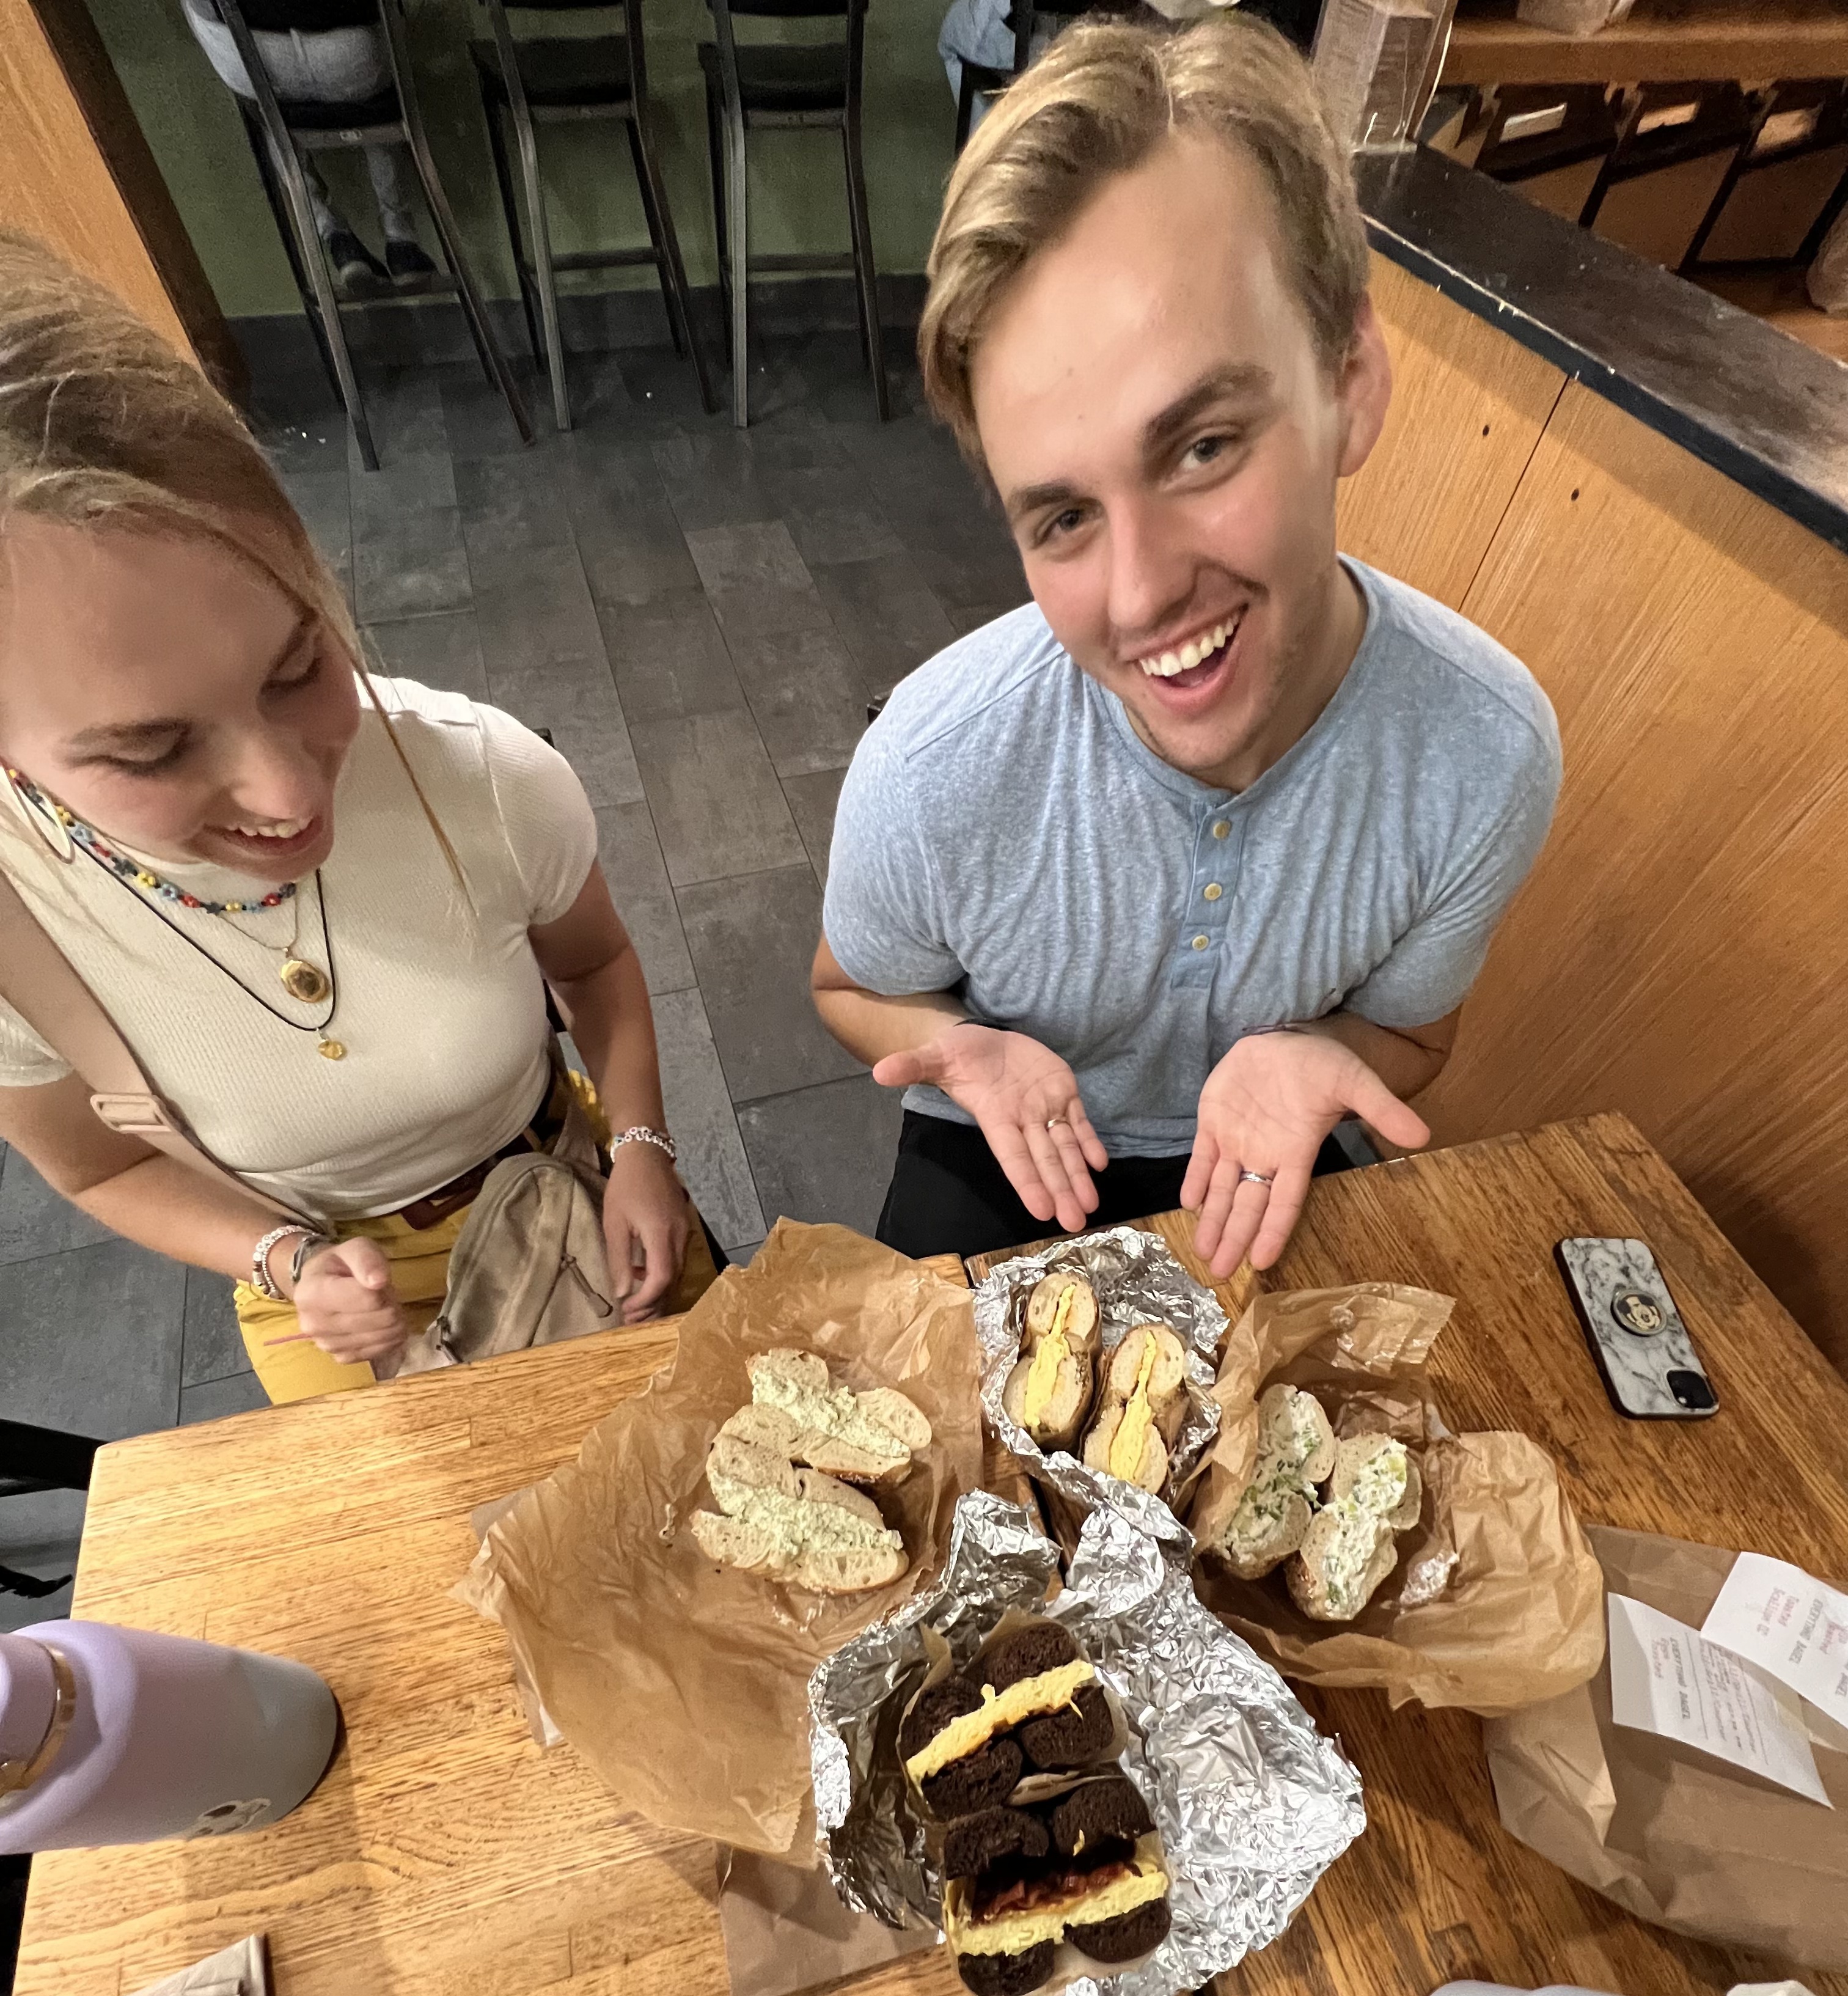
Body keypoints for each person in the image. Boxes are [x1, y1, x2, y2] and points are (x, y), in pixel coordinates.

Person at [813, 17, 1562, 1279]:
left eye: (1202, 446)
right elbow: (848, 985)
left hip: (1271, 1148)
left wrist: (1324, 1056)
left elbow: (1414, 1037)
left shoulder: (1484, 755)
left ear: (1349, 382)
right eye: (1062, 517)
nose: (1143, 594)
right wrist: (969, 1053)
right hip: (1001, 1138)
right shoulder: (933, 766)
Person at [0, 232, 703, 1403]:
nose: (289, 797)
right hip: (308, 1277)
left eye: (300, 664)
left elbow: (593, 962)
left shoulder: (476, 774)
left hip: (558, 1180)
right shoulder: (18, 938)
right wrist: (285, 1260)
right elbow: (97, 1165)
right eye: (151, 748)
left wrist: (639, 1144)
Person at [180, 0, 436, 297]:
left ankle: (336, 238)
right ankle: (401, 239)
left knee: (270, 113)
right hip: (353, 56)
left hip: (249, 61)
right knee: (379, 96)